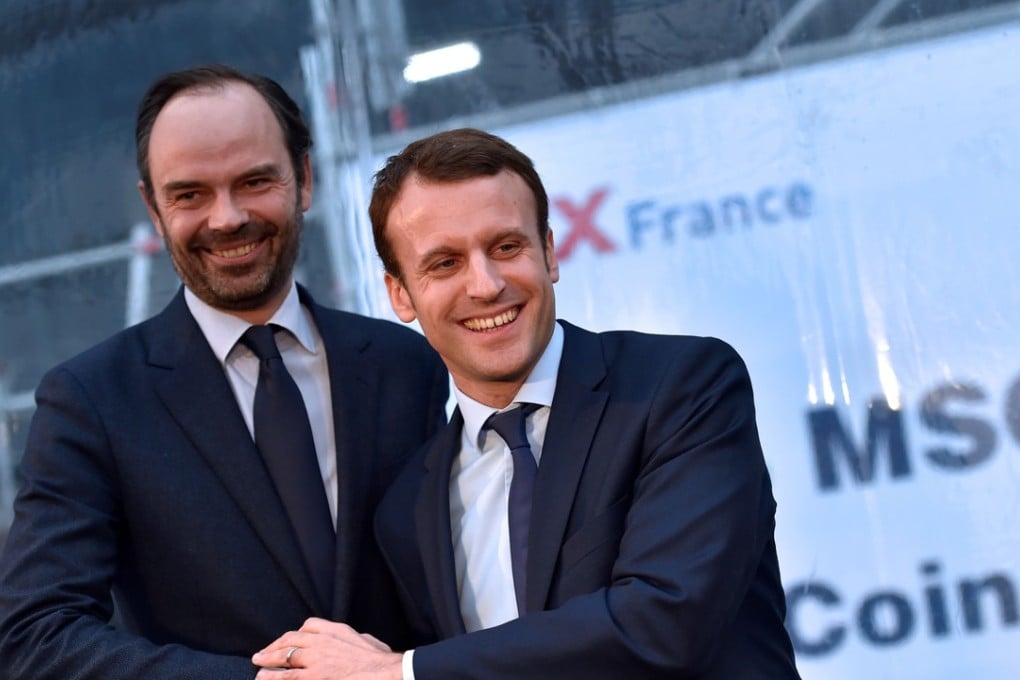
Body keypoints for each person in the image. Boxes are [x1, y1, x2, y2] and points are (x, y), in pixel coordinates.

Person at [251, 127, 800, 679]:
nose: (486, 285)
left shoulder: (682, 388)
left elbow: (665, 621)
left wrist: (402, 673)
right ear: (400, 294)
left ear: (550, 253)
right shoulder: (408, 509)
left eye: (506, 247)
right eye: (444, 263)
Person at [0, 65, 449, 680]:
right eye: (190, 194)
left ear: (305, 179)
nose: (227, 217)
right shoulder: (91, 401)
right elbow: (35, 634)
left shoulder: (408, 366)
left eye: (255, 180)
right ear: (153, 209)